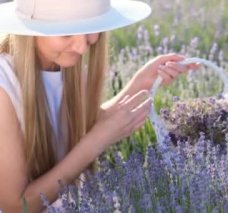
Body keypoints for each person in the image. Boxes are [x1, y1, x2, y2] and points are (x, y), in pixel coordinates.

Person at [0, 0, 198, 212]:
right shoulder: (4, 87)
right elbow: (16, 206)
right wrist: (98, 140)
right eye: (66, 34)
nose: (82, 45)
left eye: (90, 30)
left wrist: (142, 82)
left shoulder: (68, 71)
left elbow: (69, 129)